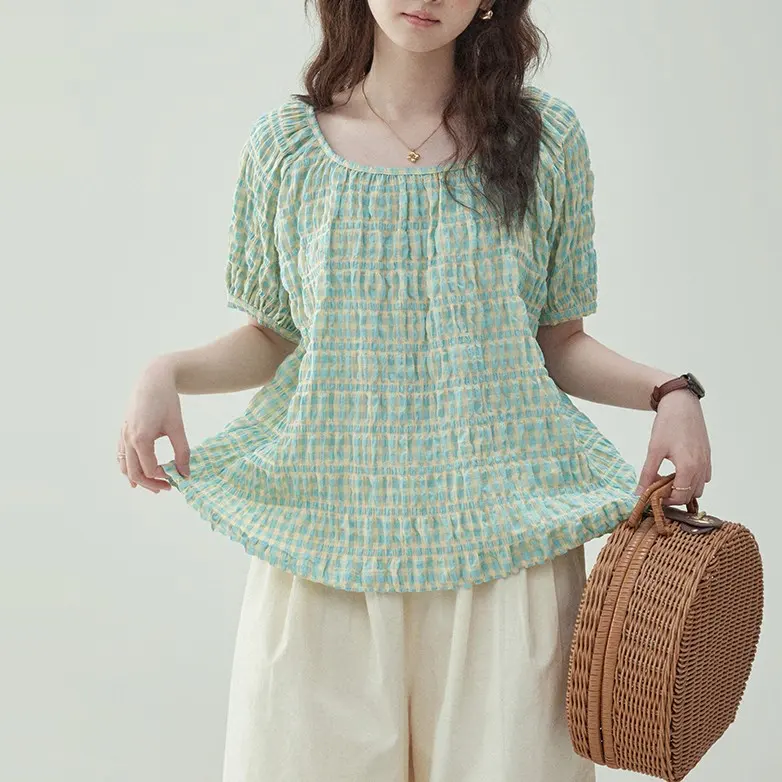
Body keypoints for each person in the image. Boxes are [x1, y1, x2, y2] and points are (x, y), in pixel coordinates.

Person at [116, 1, 712, 780]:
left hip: (508, 559)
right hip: (323, 551)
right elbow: (274, 335)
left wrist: (672, 392)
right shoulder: (284, 148)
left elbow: (557, 341)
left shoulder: (545, 139)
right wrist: (165, 372)